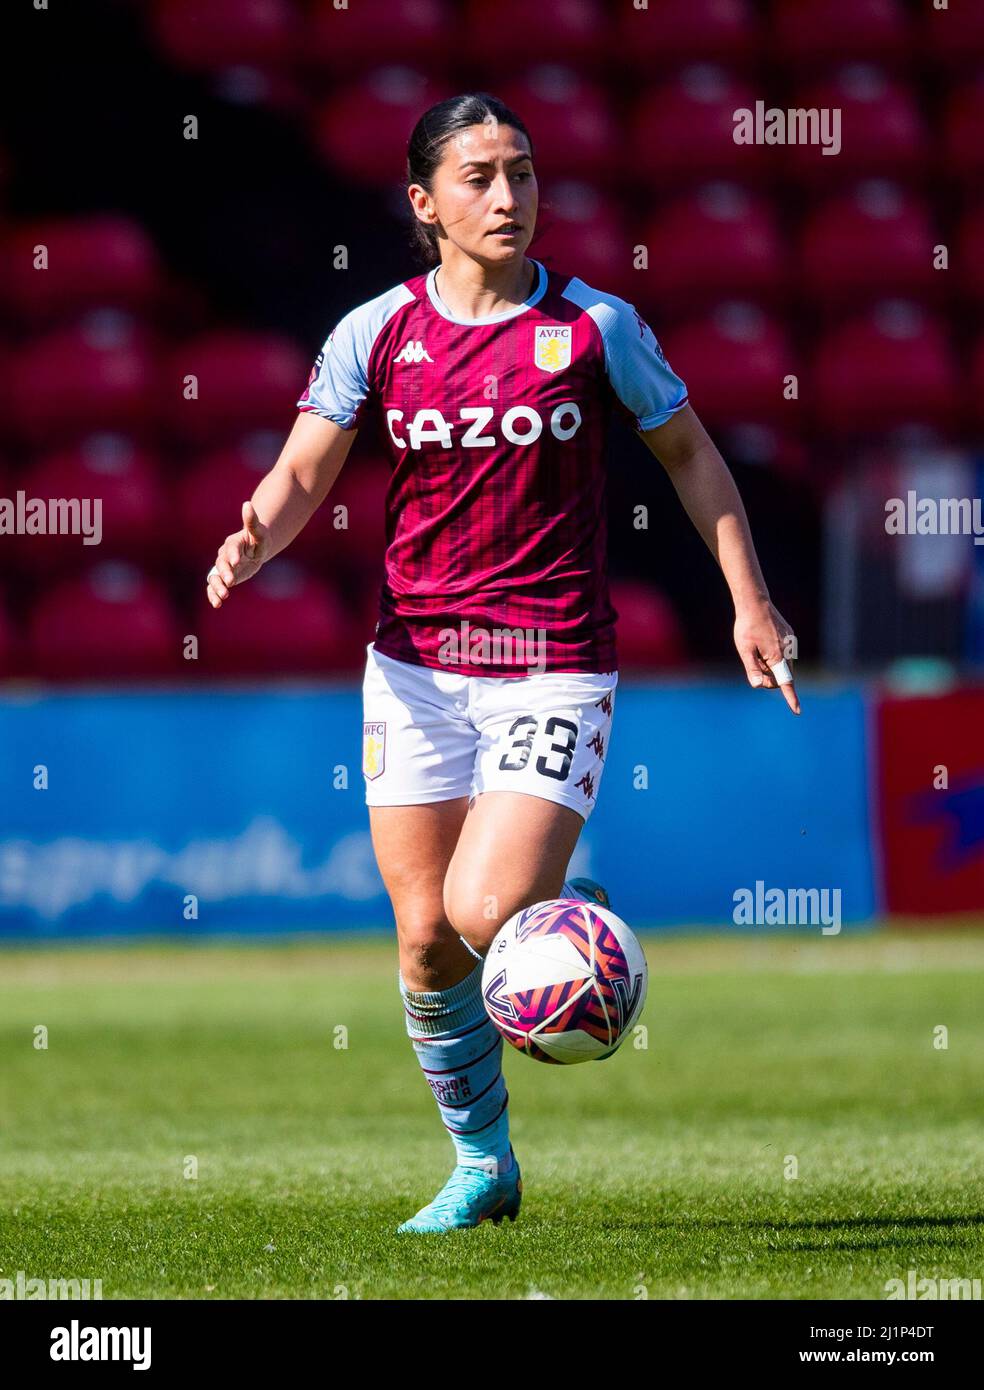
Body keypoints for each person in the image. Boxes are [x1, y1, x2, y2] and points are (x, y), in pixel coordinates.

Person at [206, 92, 799, 1234]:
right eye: (478, 177)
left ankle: (572, 915)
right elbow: (300, 474)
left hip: (551, 660)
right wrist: (254, 536)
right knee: (428, 939)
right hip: (416, 665)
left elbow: (694, 456)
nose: (509, 196)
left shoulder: (595, 329)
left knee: (488, 910)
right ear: (425, 204)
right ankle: (484, 1166)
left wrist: (751, 601)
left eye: (521, 172)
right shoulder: (375, 332)